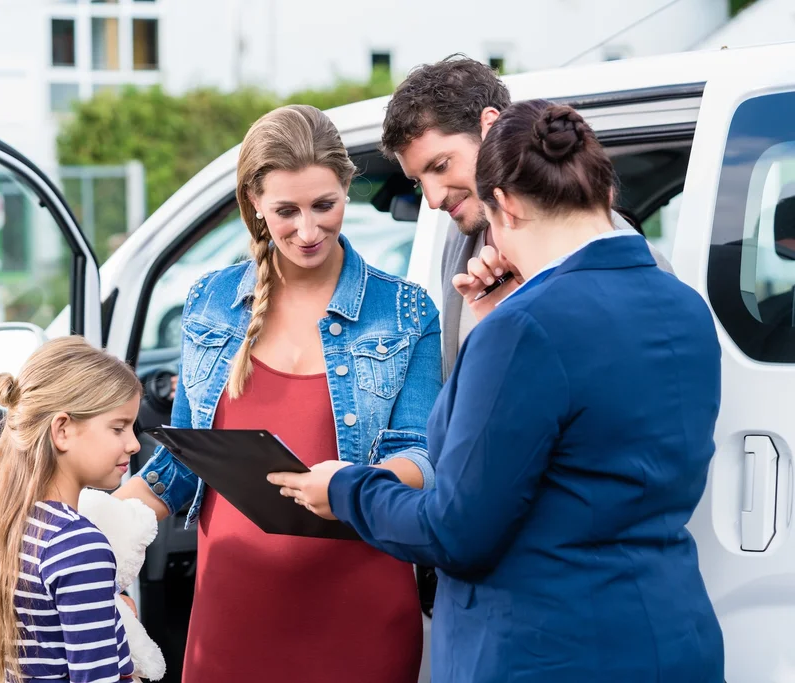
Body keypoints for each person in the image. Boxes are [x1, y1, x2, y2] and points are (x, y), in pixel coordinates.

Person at [270, 101, 725, 683]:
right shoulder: (684, 305)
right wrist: (489, 321)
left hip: (548, 650)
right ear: (601, 194)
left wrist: (346, 488)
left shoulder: (526, 329)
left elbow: (456, 531)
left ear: (503, 204)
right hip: (672, 636)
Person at [115, 104, 442, 682]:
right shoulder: (209, 303)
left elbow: (421, 452)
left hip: (362, 612)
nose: (309, 230)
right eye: (286, 211)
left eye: (325, 205)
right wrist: (92, 525)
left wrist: (350, 484)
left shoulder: (406, 311)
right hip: (233, 612)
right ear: (255, 206)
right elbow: (183, 464)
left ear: (346, 186)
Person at [378, 54, 673, 374]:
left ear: (489, 126)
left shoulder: (625, 256)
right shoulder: (460, 233)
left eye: (441, 165)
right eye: (419, 181)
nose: (433, 200)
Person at [0, 336, 143, 683]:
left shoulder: (13, 526)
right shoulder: (81, 545)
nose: (134, 443)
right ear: (63, 430)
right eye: (119, 427)